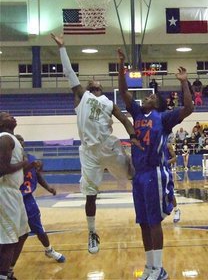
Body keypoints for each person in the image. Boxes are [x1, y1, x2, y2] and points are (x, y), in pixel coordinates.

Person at [51, 34, 137, 254]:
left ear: (102, 90)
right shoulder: (83, 97)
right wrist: (62, 49)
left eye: (97, 85)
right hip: (89, 152)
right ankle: (92, 232)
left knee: (133, 175)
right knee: (90, 194)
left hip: (109, 147)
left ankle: (149, 199)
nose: (94, 85)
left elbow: (124, 118)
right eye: (91, 85)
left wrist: (132, 134)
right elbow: (69, 73)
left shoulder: (108, 102)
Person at [117, 48, 194, 280]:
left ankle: (160, 268)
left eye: (151, 97)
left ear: (158, 104)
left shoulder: (164, 118)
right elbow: (123, 92)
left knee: (153, 221)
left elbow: (189, 108)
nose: (147, 97)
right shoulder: (138, 114)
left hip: (155, 173)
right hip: (139, 175)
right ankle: (150, 267)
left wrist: (184, 83)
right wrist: (121, 66)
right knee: (142, 222)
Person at [15, 135, 66, 263]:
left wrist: (48, 188)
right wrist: (30, 165)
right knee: (15, 234)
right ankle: (7, 266)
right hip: (12, 199)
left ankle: (49, 250)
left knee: (38, 229)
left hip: (27, 200)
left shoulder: (31, 158)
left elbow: (37, 174)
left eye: (22, 142)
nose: (20, 144)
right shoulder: (9, 161)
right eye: (18, 142)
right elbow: (14, 174)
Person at [0, 112, 37, 280]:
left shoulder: (12, 140)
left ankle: (7, 270)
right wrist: (24, 163)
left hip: (14, 192)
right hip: (4, 191)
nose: (11, 116)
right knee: (9, 238)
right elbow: (2, 169)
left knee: (22, 234)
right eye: (6, 115)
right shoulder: (4, 138)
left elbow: (16, 169)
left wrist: (30, 166)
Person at [166, 139, 181, 223]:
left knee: (170, 193)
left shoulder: (168, 145)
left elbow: (175, 158)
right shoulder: (153, 145)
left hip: (166, 171)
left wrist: (166, 162)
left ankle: (176, 210)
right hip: (155, 171)